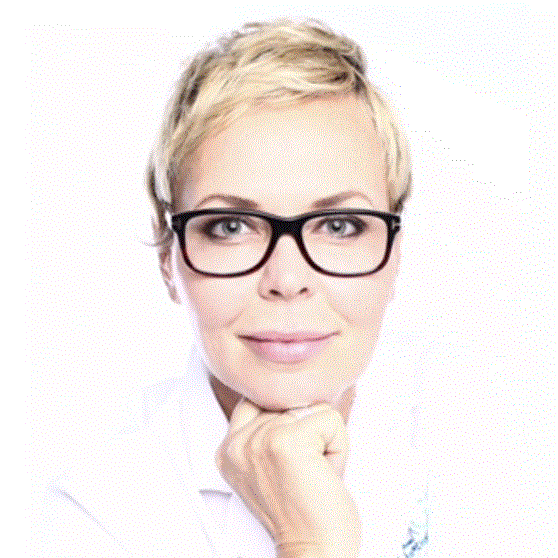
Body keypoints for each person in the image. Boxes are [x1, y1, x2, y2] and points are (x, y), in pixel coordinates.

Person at [43, 19, 429, 558]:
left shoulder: (480, 452)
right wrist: (310, 542)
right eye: (231, 227)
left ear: (395, 253)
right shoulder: (90, 510)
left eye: (340, 225)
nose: (287, 281)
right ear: (168, 256)